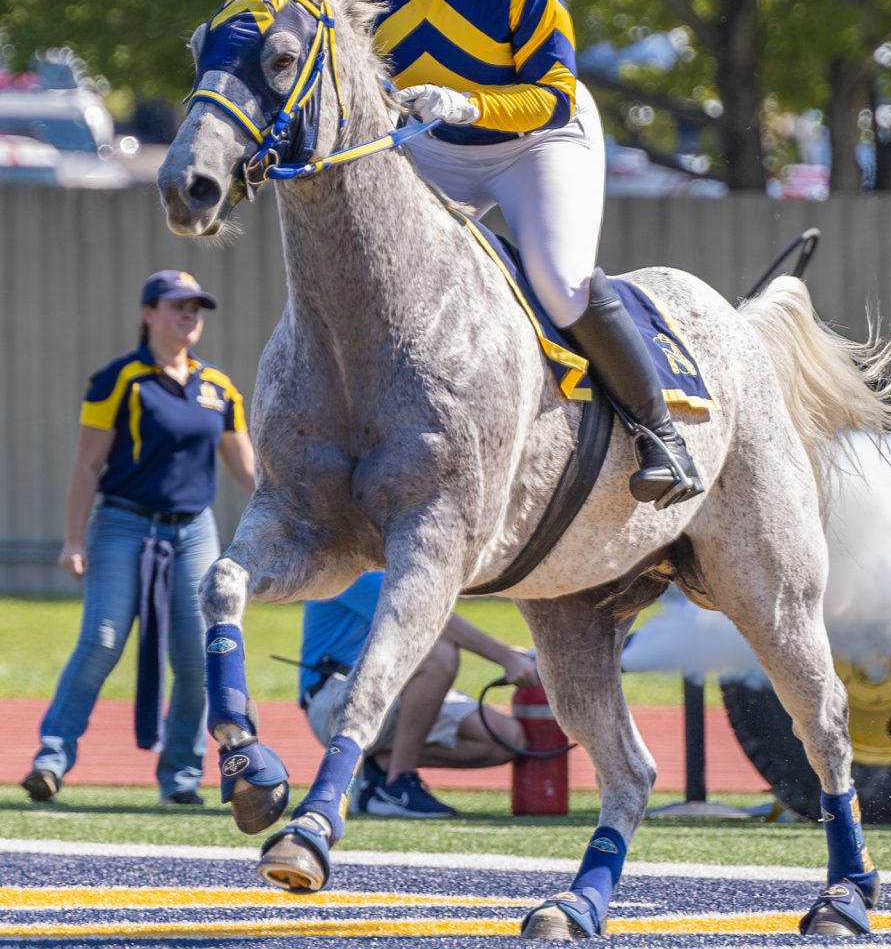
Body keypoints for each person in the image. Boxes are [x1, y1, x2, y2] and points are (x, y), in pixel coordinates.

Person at [348, 0, 703, 509]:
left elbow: (556, 95)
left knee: (560, 279)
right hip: (436, 144)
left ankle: (660, 432)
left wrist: (471, 104)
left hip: (536, 142)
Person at [21, 270, 256, 806]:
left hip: (194, 531)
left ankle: (180, 778)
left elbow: (248, 468)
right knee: (101, 641)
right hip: (123, 524)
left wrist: (296, 512)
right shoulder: (118, 380)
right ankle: (51, 761)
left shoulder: (219, 388)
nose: (189, 316)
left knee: (198, 657)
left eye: (196, 307)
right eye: (177, 306)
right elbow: (87, 466)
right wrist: (72, 541)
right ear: (148, 313)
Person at [300, 572, 540, 817]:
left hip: (392, 688)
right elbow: (426, 617)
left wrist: (512, 655)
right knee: (439, 654)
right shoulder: (352, 568)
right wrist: (507, 658)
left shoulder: (389, 564)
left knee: (507, 739)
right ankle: (399, 783)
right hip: (335, 697)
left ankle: (376, 770)